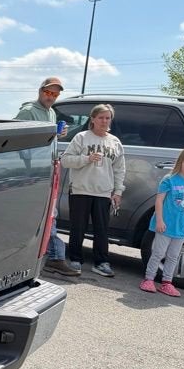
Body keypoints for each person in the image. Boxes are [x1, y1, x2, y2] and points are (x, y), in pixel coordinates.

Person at [15, 77, 78, 277]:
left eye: (55, 94)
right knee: (42, 214)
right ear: (40, 90)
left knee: (47, 215)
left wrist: (57, 135)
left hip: (46, 169)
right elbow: (19, 140)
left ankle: (49, 257)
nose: (51, 96)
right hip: (32, 171)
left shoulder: (50, 112)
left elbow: (45, 140)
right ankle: (51, 257)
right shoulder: (28, 111)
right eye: (48, 92)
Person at [60, 103, 125, 277]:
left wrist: (118, 191)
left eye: (108, 117)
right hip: (81, 189)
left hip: (103, 192)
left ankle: (101, 262)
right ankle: (75, 260)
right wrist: (86, 158)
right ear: (93, 119)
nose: (104, 121)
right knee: (78, 228)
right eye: (101, 117)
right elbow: (65, 160)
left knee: (102, 230)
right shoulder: (81, 137)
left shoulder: (115, 142)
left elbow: (119, 169)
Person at [139, 147, 184, 297]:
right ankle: (149, 279)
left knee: (173, 256)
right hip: (165, 225)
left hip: (181, 228)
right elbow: (159, 201)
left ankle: (167, 283)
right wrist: (159, 220)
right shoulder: (169, 180)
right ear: (180, 163)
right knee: (158, 253)